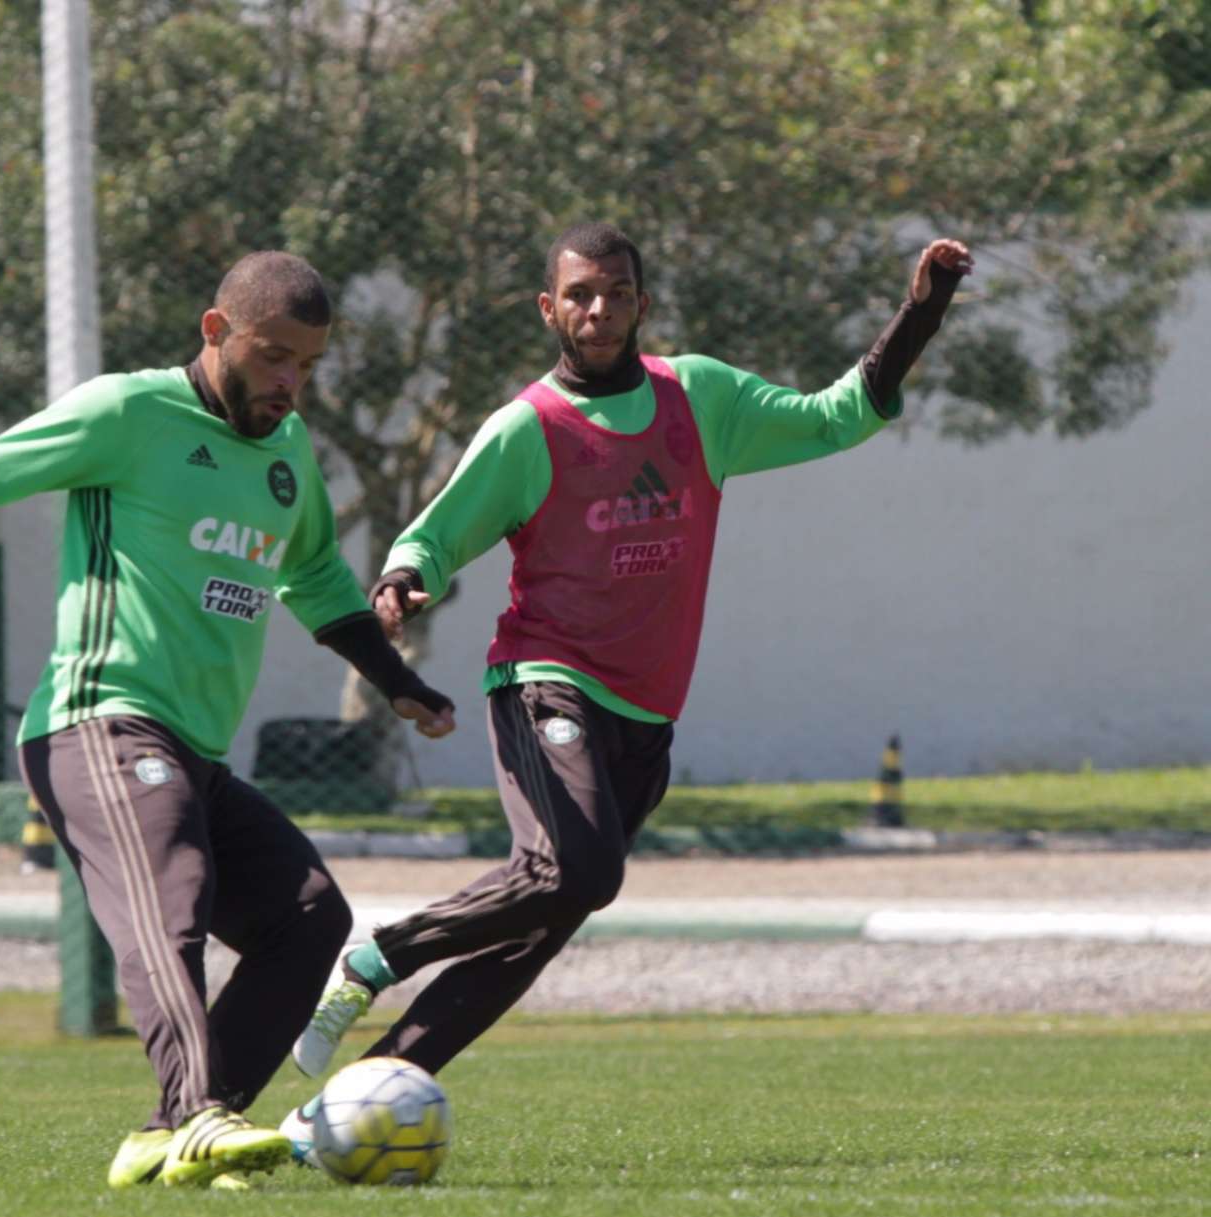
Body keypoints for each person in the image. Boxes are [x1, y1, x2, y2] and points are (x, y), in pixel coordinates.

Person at [0, 251, 456, 1190]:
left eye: (308, 364)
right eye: (274, 356)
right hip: (96, 721)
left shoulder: (287, 455)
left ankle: (172, 1129)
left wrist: (396, 683)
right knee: (175, 888)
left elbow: (318, 581)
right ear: (217, 334)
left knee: (309, 916)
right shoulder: (127, 414)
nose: (291, 383)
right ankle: (202, 1113)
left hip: (195, 752)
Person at [282, 223, 972, 1152]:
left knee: (544, 921)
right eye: (579, 294)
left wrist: (922, 312)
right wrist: (403, 582)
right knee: (580, 871)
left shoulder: (702, 398)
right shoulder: (532, 427)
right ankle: (377, 954)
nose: (597, 308)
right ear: (548, 308)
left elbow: (840, 415)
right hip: (544, 684)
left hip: (646, 718)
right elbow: (436, 537)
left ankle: (343, 1107)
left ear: (642, 303)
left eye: (614, 292)